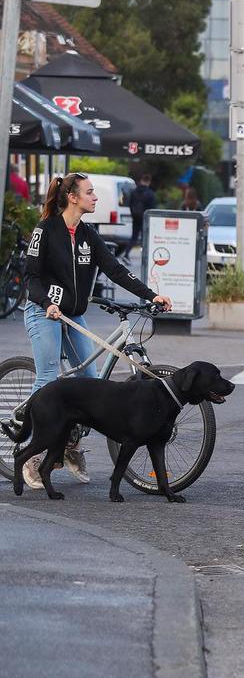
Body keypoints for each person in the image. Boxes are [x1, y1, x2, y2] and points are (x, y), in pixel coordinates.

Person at [16, 173, 172, 488]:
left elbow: (115, 269)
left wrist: (150, 294)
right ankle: (31, 454)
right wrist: (46, 302)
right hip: (43, 310)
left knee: (89, 382)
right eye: (90, 193)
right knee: (48, 377)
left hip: (73, 314)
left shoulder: (88, 234)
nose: (95, 197)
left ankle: (70, 445)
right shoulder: (44, 231)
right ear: (72, 197)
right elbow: (31, 277)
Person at [119, 173, 156, 263]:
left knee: (134, 237)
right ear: (149, 182)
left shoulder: (134, 191)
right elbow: (152, 207)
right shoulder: (150, 193)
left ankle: (126, 254)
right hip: (145, 218)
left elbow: (130, 204)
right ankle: (145, 257)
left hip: (135, 216)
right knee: (145, 237)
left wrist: (133, 214)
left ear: (141, 180)